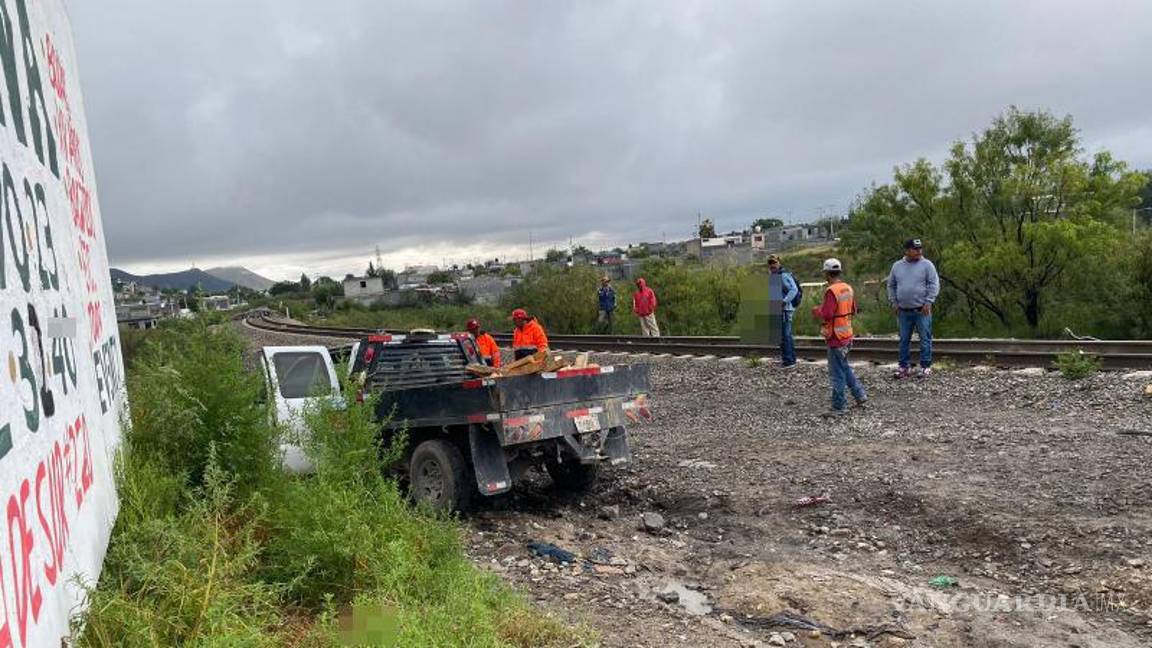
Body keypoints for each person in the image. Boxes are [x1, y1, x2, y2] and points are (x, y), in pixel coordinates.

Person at [811, 258, 868, 417]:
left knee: (836, 372)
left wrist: (817, 311)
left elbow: (827, 314)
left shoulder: (831, 291)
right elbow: (854, 310)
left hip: (836, 337)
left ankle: (839, 406)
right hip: (847, 334)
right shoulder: (847, 288)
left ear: (827, 273)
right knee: (844, 367)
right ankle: (860, 395)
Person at [887, 238, 940, 379]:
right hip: (903, 310)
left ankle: (925, 366)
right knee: (904, 339)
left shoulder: (927, 265)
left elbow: (934, 284)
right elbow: (891, 285)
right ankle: (904, 367)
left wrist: (928, 302)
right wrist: (894, 302)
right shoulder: (897, 266)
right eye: (915, 249)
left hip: (922, 310)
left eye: (920, 248)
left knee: (925, 339)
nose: (919, 251)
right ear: (907, 250)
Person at [768, 254, 799, 368]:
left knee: (785, 335)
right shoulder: (774, 275)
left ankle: (789, 361)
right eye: (770, 263)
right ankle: (789, 359)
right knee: (784, 335)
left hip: (785, 309)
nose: (772, 265)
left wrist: (784, 301)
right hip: (779, 309)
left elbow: (794, 289)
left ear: (779, 263)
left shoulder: (784, 275)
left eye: (774, 262)